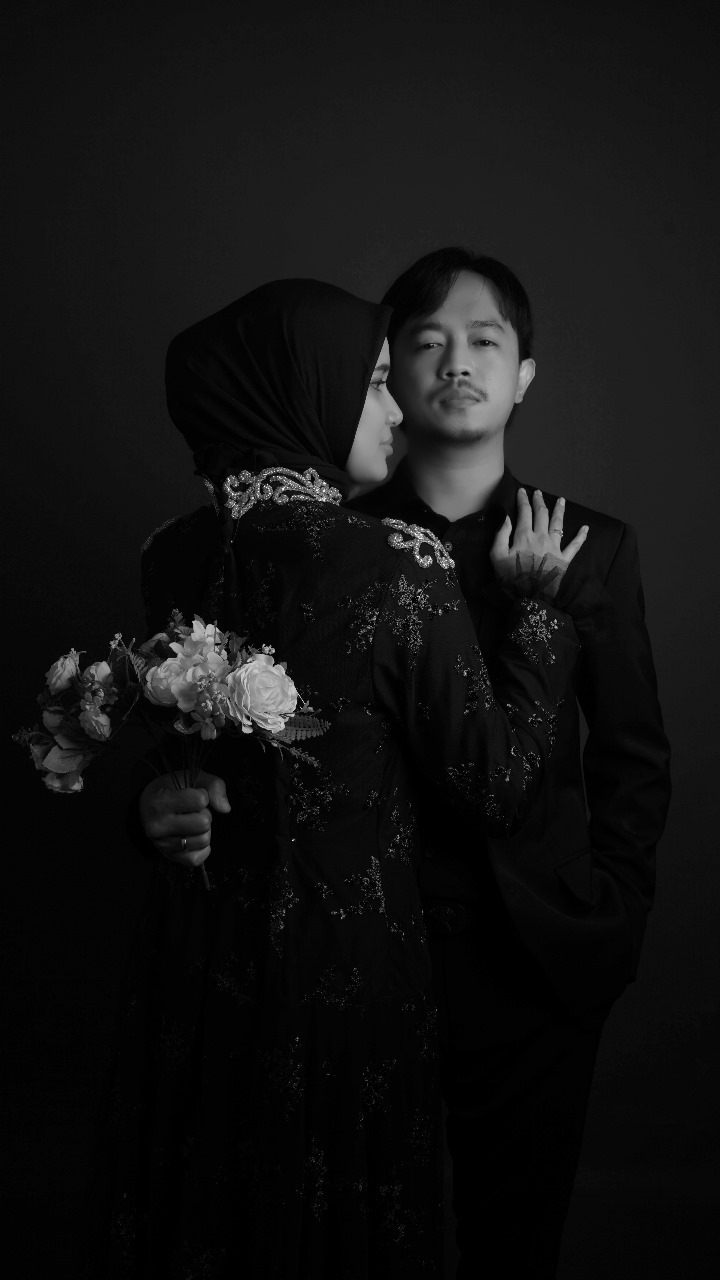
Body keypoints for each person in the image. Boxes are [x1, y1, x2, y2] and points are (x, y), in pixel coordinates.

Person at [88, 278, 591, 1279]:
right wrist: (538, 619)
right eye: (371, 382)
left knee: (212, 1207)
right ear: (303, 393)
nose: (397, 408)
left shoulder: (169, 554)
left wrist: (149, 805)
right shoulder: (396, 560)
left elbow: (177, 756)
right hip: (342, 974)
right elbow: (497, 788)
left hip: (198, 963)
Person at [350, 247, 672, 1279]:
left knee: (515, 1242)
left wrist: (612, 912)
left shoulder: (593, 544)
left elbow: (633, 753)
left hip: (538, 956)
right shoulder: (338, 542)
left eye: (484, 341)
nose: (457, 362)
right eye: (428, 340)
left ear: (524, 374)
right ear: (389, 372)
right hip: (369, 949)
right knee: (362, 1235)